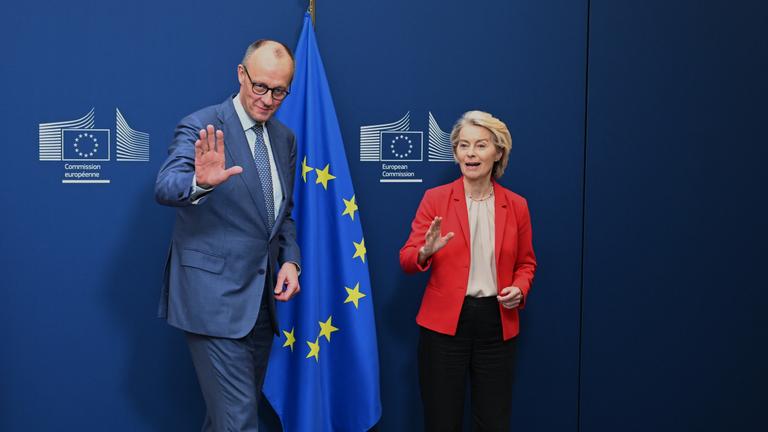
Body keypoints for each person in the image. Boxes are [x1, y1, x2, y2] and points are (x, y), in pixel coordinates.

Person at [155, 39, 301, 431]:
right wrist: (199, 182)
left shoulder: (284, 139)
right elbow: (166, 185)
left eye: (280, 91)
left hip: (260, 306)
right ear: (241, 75)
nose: (269, 99)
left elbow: (281, 214)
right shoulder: (202, 125)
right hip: (212, 302)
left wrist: (290, 259)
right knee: (239, 424)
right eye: (260, 87)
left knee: (225, 422)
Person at [399, 110, 537, 431]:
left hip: (496, 326)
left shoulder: (517, 205)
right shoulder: (435, 199)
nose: (470, 154)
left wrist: (520, 287)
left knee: (493, 421)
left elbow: (526, 263)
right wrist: (425, 252)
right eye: (463, 146)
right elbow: (407, 259)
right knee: (441, 420)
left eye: (480, 145)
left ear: (498, 151)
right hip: (445, 327)